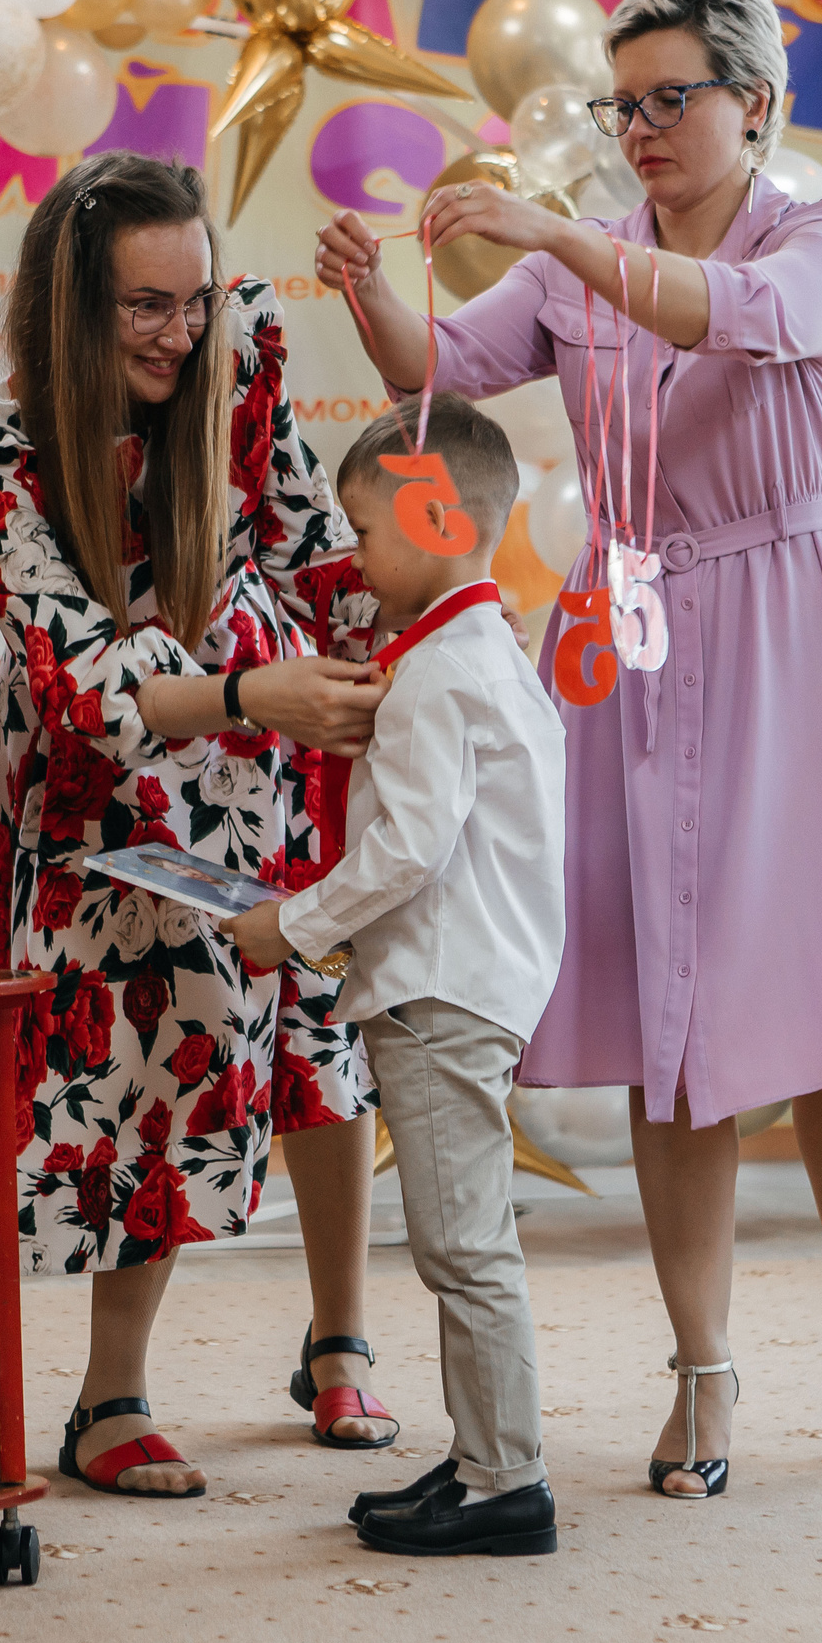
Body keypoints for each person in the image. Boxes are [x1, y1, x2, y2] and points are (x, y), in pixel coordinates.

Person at [315, 0, 822, 1500]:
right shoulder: (579, 262)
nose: (644, 128)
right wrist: (368, 288)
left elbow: (733, 316)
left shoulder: (818, 236)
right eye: (625, 105)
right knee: (677, 1025)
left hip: (785, 628)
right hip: (634, 639)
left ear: (758, 103)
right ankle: (702, 1368)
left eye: (672, 99)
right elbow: (437, 371)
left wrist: (555, 236)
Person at [0, 150, 397, 1498]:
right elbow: (84, 689)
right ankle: (109, 1397)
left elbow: (311, 544)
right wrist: (253, 691)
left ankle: (340, 1339)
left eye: (194, 300)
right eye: (145, 306)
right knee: (143, 1071)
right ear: (69, 306)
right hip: (106, 798)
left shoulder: (236, 363)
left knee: (318, 1039)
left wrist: (426, 633)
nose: (180, 333)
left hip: (273, 764)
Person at [224, 395, 567, 1559]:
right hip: (467, 980)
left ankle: (507, 1480)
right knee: (458, 1238)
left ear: (432, 519)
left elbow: (409, 849)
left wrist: (291, 925)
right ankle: (480, 1459)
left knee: (462, 1247)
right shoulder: (477, 653)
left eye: (365, 530)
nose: (355, 558)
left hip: (442, 991)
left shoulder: (439, 674)